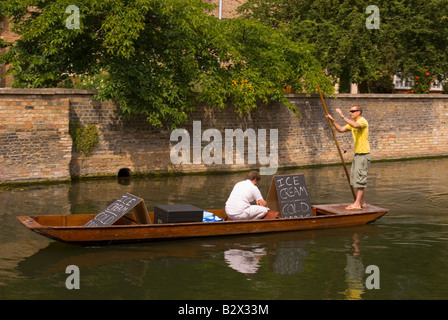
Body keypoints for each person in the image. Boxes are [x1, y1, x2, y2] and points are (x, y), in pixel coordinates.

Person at [326, 105, 371, 210]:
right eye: (350, 111)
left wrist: (342, 116)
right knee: (356, 178)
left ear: (358, 112)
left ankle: (357, 204)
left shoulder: (362, 121)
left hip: (364, 154)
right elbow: (341, 129)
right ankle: (362, 202)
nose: (351, 113)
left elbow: (355, 125)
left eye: (353, 111)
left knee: (360, 180)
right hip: (358, 155)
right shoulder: (353, 123)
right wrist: (333, 121)